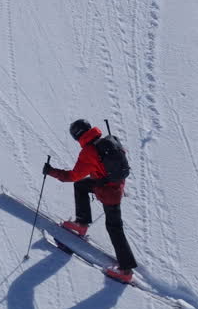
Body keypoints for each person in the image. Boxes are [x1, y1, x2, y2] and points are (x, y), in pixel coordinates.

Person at [42, 119, 139, 283]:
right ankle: (82, 223)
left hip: (108, 193)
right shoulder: (110, 139)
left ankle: (126, 270)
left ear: (77, 136)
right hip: (113, 185)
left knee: (114, 227)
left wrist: (51, 171)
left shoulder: (88, 152)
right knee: (81, 186)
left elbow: (72, 176)